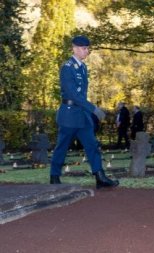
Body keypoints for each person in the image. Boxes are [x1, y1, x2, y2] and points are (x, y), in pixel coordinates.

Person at [49, 35, 119, 189]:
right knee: (62, 146)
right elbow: (73, 94)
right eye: (83, 48)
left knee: (92, 145)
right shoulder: (67, 68)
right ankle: (54, 177)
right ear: (74, 49)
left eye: (87, 48)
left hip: (82, 116)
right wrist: (94, 109)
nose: (86, 51)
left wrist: (89, 111)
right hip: (69, 115)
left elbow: (82, 95)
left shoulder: (83, 67)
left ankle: (100, 177)